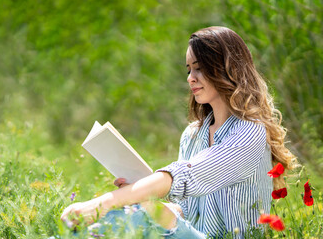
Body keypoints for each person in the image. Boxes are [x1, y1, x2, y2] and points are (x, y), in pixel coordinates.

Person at [60, 26, 295, 238]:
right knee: (129, 215)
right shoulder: (193, 134)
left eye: (199, 69)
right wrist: (142, 199)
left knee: (118, 214)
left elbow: (187, 176)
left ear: (226, 69)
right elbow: (185, 212)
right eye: (189, 69)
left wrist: (102, 203)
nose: (191, 78)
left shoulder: (249, 132)